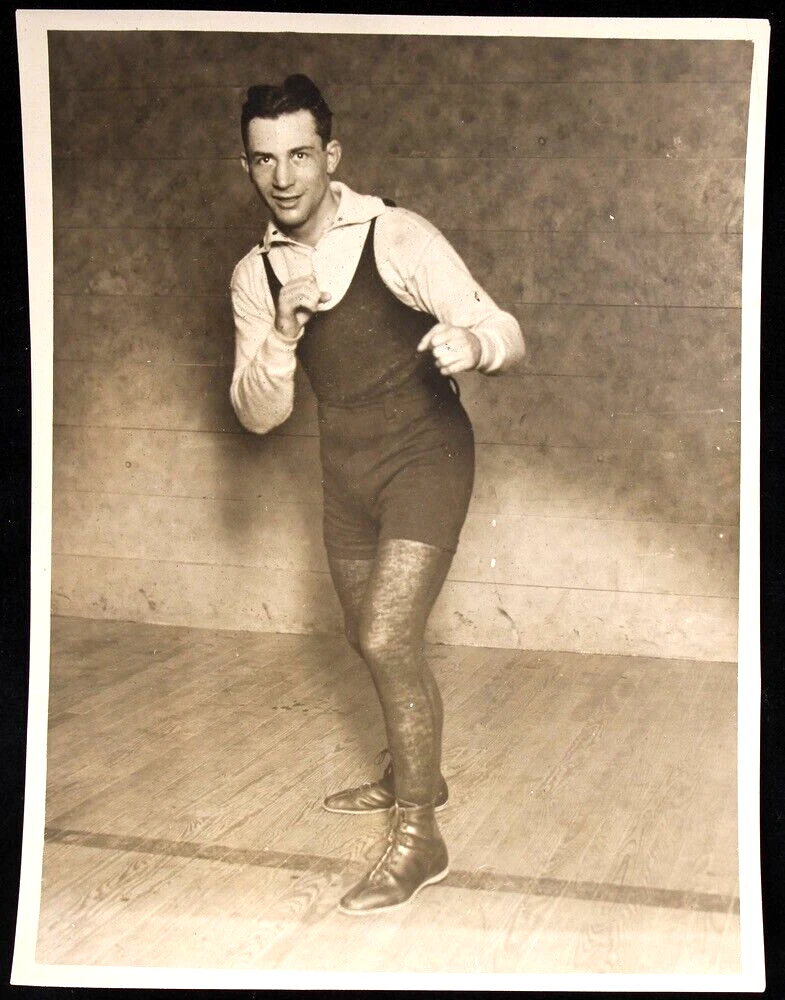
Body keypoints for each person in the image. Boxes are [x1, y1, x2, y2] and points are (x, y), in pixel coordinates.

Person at [230, 74, 524, 915]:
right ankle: (410, 763)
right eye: (263, 160)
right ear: (246, 166)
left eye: (298, 155)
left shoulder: (396, 234)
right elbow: (257, 416)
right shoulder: (254, 274)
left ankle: (419, 832)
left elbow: (504, 328)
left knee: (389, 635)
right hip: (345, 473)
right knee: (369, 637)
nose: (283, 177)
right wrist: (283, 336)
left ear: (331, 156)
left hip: (428, 455)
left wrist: (473, 342)